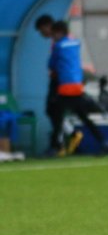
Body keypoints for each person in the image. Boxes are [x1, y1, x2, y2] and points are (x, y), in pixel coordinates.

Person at [48, 21, 108, 155]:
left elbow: (52, 65)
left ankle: (54, 147)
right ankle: (104, 141)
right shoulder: (75, 43)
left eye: (53, 34)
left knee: (57, 117)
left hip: (65, 87)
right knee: (84, 117)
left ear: (58, 32)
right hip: (77, 86)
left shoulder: (58, 46)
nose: (52, 37)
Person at [34, 15, 64, 155]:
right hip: (57, 80)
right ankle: (57, 142)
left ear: (47, 26)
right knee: (52, 111)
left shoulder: (60, 41)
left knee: (55, 111)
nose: (42, 34)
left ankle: (56, 144)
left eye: (41, 30)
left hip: (60, 81)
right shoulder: (55, 41)